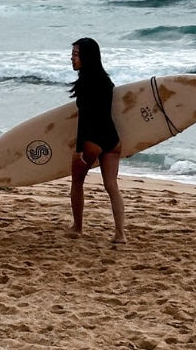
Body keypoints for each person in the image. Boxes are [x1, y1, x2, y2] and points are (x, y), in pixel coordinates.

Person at [66, 37, 127, 244]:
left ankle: (77, 227)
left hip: (92, 140)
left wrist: (79, 149)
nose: (72, 58)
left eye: (75, 54)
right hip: (112, 139)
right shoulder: (107, 82)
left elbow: (85, 118)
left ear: (87, 56)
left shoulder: (85, 84)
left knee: (77, 181)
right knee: (111, 185)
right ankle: (120, 234)